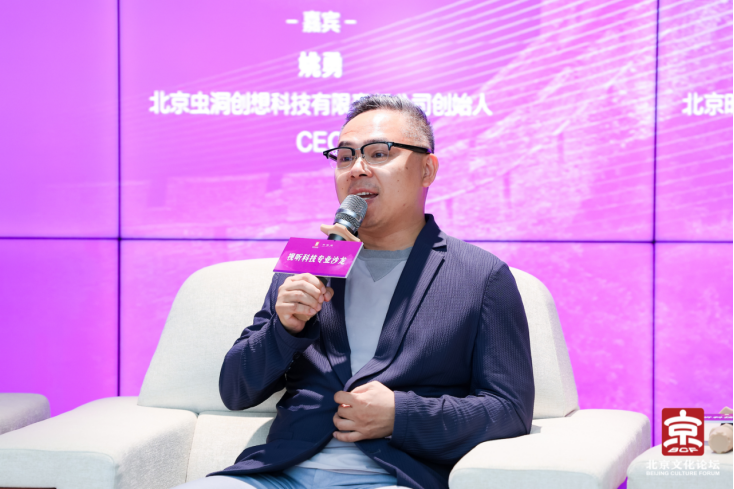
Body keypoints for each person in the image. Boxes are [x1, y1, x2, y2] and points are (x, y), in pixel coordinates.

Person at [175, 95, 535, 489]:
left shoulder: (481, 276)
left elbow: (510, 409)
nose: (357, 169)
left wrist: (402, 415)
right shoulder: (307, 265)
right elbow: (235, 391)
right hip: (279, 475)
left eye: (378, 153)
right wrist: (284, 329)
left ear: (427, 169)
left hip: (392, 478)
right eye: (345, 157)